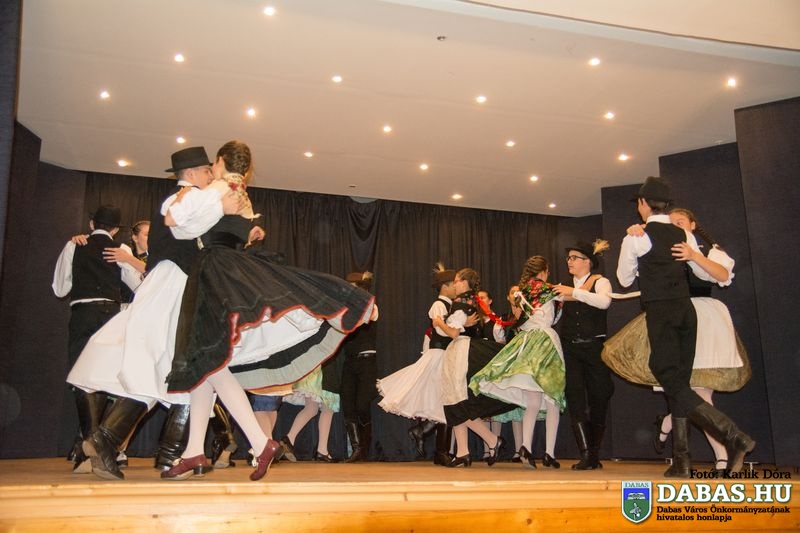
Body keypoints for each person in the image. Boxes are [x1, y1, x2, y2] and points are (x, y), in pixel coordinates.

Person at [161, 141, 375, 480]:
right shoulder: (242, 194)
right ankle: (194, 451)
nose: (210, 169)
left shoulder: (219, 188)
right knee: (206, 363)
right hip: (228, 270)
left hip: (213, 272)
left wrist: (186, 196)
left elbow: (176, 222)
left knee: (207, 360)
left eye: (212, 163)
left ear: (220, 161)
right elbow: (233, 231)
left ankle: (260, 443)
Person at [68, 146, 242, 480]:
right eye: (206, 170)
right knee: (165, 366)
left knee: (157, 367)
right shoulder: (187, 198)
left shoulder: (185, 197)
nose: (210, 175)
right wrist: (222, 205)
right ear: (191, 174)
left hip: (163, 284)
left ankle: (107, 441)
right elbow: (181, 225)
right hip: (173, 286)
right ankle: (120, 444)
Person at [616, 176, 754, 477]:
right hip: (686, 312)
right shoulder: (684, 235)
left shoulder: (636, 237)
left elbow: (624, 279)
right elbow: (699, 271)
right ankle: (682, 462)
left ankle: (733, 435)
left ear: (643, 204)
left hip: (661, 311)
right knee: (679, 381)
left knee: (669, 377)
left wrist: (639, 251)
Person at [53, 205, 141, 473]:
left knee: (82, 379)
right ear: (115, 229)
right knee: (107, 380)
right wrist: (128, 260)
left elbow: (60, 288)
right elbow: (139, 286)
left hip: (83, 314)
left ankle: (89, 447)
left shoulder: (75, 245)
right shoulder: (120, 249)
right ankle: (97, 448)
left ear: (92, 224)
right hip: (111, 317)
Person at [470, 257, 565, 469]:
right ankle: (549, 453)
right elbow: (557, 314)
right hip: (546, 342)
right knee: (553, 399)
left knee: (532, 401)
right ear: (544, 271)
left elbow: (519, 320)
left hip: (526, 343)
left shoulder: (520, 293)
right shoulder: (550, 289)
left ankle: (525, 447)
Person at [378, 264, 460, 464]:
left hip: (445, 356)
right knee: (445, 402)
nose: (457, 288)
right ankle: (439, 450)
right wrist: (456, 327)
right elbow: (440, 331)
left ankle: (435, 445)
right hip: (439, 356)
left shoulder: (450, 306)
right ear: (445, 286)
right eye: (454, 285)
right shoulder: (439, 305)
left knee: (444, 403)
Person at [440, 268, 511, 468]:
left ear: (464, 282)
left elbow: (453, 333)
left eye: (456, 281)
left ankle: (491, 440)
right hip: (465, 350)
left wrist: (439, 322)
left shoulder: (461, 302)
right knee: (455, 401)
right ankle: (464, 451)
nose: (454, 284)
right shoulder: (474, 301)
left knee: (456, 401)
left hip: (461, 351)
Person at [552, 240, 614, 470]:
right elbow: (556, 317)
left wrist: (574, 293)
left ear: (588, 261)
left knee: (600, 396)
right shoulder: (564, 286)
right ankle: (586, 454)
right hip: (571, 348)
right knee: (575, 398)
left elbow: (604, 302)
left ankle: (594, 452)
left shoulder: (601, 281)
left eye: (574, 257)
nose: (569, 261)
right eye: (568, 258)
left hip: (594, 347)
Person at [340, 272, 379, 462]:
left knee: (363, 405)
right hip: (350, 361)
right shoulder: (345, 309)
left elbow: (363, 319)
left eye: (352, 286)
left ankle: (365, 446)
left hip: (366, 361)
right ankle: (356, 448)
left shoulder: (372, 307)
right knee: (348, 404)